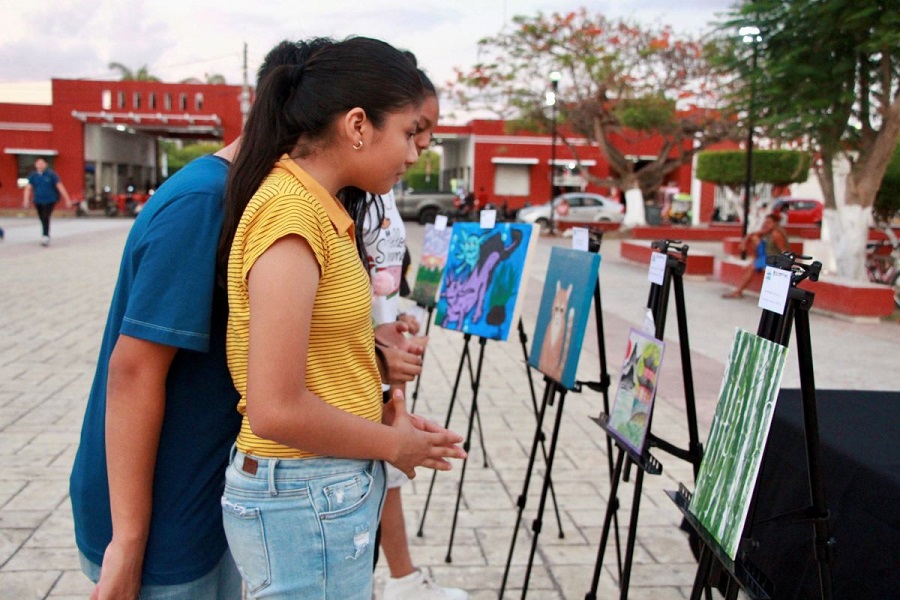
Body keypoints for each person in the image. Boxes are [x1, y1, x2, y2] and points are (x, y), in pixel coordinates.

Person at [69, 39, 358, 600]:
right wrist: (128, 541)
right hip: (161, 516)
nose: (411, 150)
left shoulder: (262, 201)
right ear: (344, 125)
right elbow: (133, 371)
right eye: (403, 130)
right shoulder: (204, 203)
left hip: (204, 494)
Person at [217, 36, 465, 599]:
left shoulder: (319, 208)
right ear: (358, 125)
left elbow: (318, 361)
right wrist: (391, 447)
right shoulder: (292, 216)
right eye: (408, 132)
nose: (415, 153)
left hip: (318, 488)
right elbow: (275, 409)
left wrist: (379, 411)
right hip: (304, 494)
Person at [351, 58, 468, 600]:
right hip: (356, 375)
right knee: (379, 466)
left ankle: (399, 580)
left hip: (380, 358)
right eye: (414, 132)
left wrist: (392, 320)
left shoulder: (383, 188)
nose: (419, 149)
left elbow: (378, 273)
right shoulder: (316, 207)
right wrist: (372, 354)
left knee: (388, 473)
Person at [722, 213, 789, 299]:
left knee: (752, 268)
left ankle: (738, 291)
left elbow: (784, 251)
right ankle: (755, 260)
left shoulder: (776, 234)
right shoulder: (768, 232)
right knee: (754, 239)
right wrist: (744, 243)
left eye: (769, 223)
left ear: (775, 223)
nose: (766, 225)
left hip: (774, 259)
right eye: (765, 222)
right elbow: (751, 235)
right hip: (766, 256)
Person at [22, 157, 71, 246]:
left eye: (42, 163)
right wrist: (26, 200)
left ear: (46, 164)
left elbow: (59, 186)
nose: (40, 165)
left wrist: (67, 199)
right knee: (42, 217)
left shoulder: (51, 175)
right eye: (38, 163)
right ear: (35, 165)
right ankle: (45, 233)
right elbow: (28, 188)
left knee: (45, 216)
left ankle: (45, 236)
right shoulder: (33, 176)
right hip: (38, 200)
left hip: (50, 200)